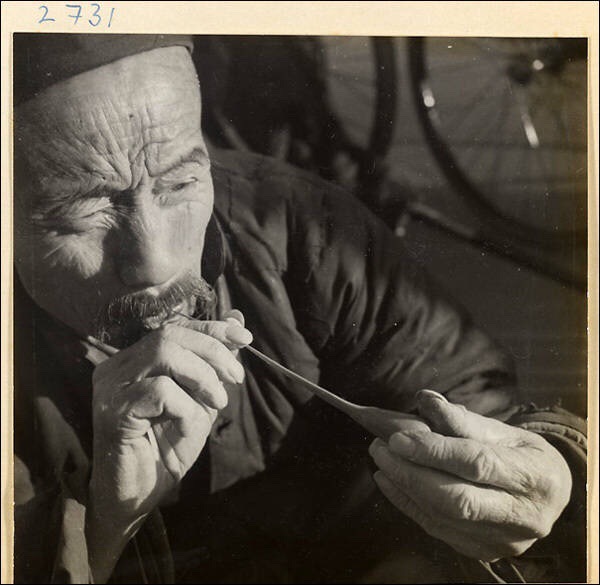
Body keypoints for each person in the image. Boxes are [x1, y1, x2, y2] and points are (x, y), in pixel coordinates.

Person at [12, 34, 587, 584]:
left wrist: (558, 470)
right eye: (83, 211)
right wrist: (104, 534)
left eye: (179, 181)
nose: (157, 263)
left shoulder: (294, 228)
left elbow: (475, 404)